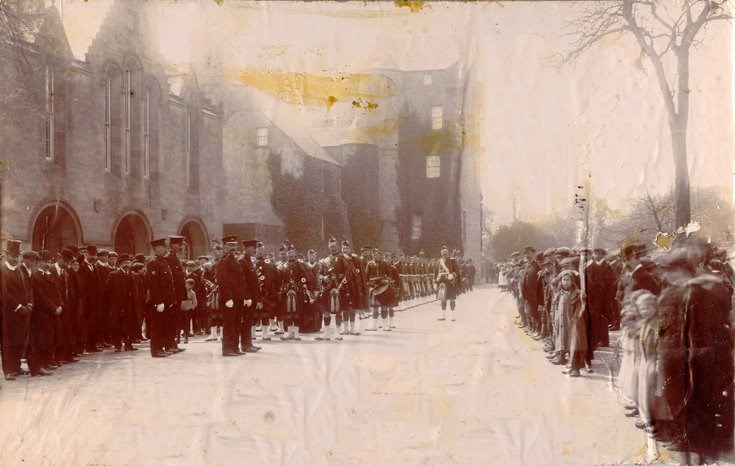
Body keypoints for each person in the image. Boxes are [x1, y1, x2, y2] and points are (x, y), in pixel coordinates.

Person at [216, 236, 249, 356]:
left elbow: (241, 280)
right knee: (229, 324)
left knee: (236, 323)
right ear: (224, 247)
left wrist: (244, 296)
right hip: (230, 298)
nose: (233, 248)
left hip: (238, 298)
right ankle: (227, 349)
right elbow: (222, 280)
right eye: (230, 245)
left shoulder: (235, 260)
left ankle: (235, 347)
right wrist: (228, 297)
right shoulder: (223, 261)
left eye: (234, 245)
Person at [146, 238, 177, 358]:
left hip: (167, 300)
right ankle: (156, 349)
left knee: (165, 324)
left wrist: (170, 300)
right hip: (159, 301)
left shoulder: (164, 262)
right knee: (157, 326)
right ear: (156, 248)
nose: (165, 249)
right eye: (163, 247)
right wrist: (159, 301)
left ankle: (162, 347)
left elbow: (170, 283)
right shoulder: (152, 263)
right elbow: (154, 284)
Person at [434, 245, 461, 321]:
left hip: (450, 282)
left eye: (445, 252)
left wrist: (452, 275)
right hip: (441, 283)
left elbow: (457, 271)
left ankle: (452, 316)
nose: (444, 254)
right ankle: (443, 316)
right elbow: (435, 273)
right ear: (441, 253)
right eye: (443, 252)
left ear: (448, 253)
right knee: (443, 299)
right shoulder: (439, 262)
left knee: (452, 299)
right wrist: (435, 282)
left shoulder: (452, 260)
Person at [180, 278, 198, 344]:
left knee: (186, 324)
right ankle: (178, 338)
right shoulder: (181, 291)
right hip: (181, 309)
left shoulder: (192, 293)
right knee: (179, 323)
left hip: (188, 310)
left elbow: (195, 303)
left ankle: (186, 337)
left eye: (191, 285)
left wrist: (191, 308)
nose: (188, 286)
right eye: (187, 284)